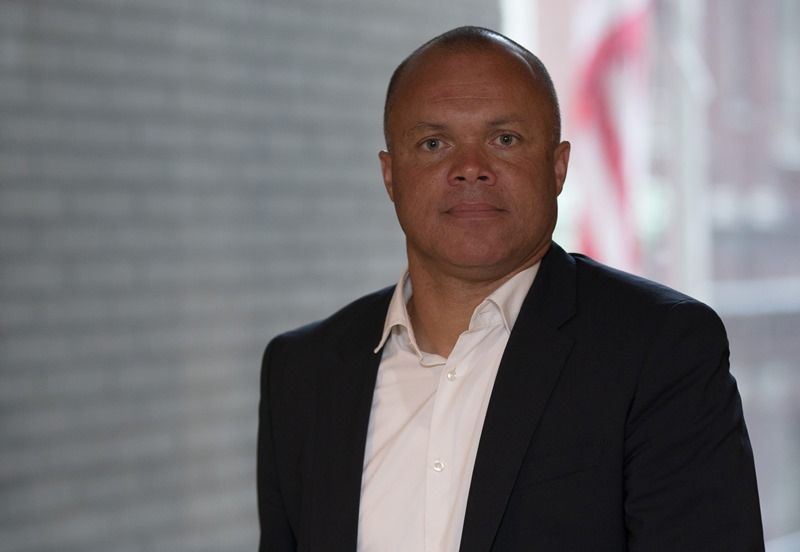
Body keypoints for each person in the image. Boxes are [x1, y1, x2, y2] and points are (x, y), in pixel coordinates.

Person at [257, 26, 763, 551]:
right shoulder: (302, 373)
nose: (470, 169)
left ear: (558, 166)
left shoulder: (660, 350)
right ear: (390, 176)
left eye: (504, 139)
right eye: (434, 144)